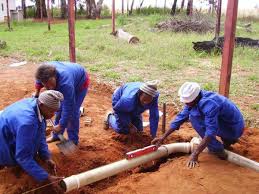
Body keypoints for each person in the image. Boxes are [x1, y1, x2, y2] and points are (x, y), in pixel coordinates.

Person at [152, 82, 245, 168]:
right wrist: (162, 138)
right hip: (231, 124)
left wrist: (195, 153)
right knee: (194, 114)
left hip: (233, 128)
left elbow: (210, 131)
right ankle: (228, 140)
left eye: (188, 102)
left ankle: (218, 149)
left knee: (194, 117)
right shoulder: (197, 98)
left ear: (195, 98)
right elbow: (180, 118)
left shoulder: (210, 104)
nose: (186, 104)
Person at [0, 90, 64, 192]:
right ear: (42, 105)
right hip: (2, 137)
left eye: (55, 112)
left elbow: (40, 133)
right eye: (51, 111)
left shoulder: (36, 104)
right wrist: (46, 178)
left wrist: (46, 156)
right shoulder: (27, 122)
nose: (53, 115)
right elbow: (23, 157)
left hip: (9, 127)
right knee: (9, 158)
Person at [34, 61, 90, 145]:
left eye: (51, 83)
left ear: (54, 76)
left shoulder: (65, 83)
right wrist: (37, 92)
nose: (49, 88)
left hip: (80, 83)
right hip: (70, 76)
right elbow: (38, 82)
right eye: (46, 85)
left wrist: (61, 125)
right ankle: (56, 136)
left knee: (73, 113)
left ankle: (73, 141)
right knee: (58, 109)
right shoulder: (42, 73)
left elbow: (68, 107)